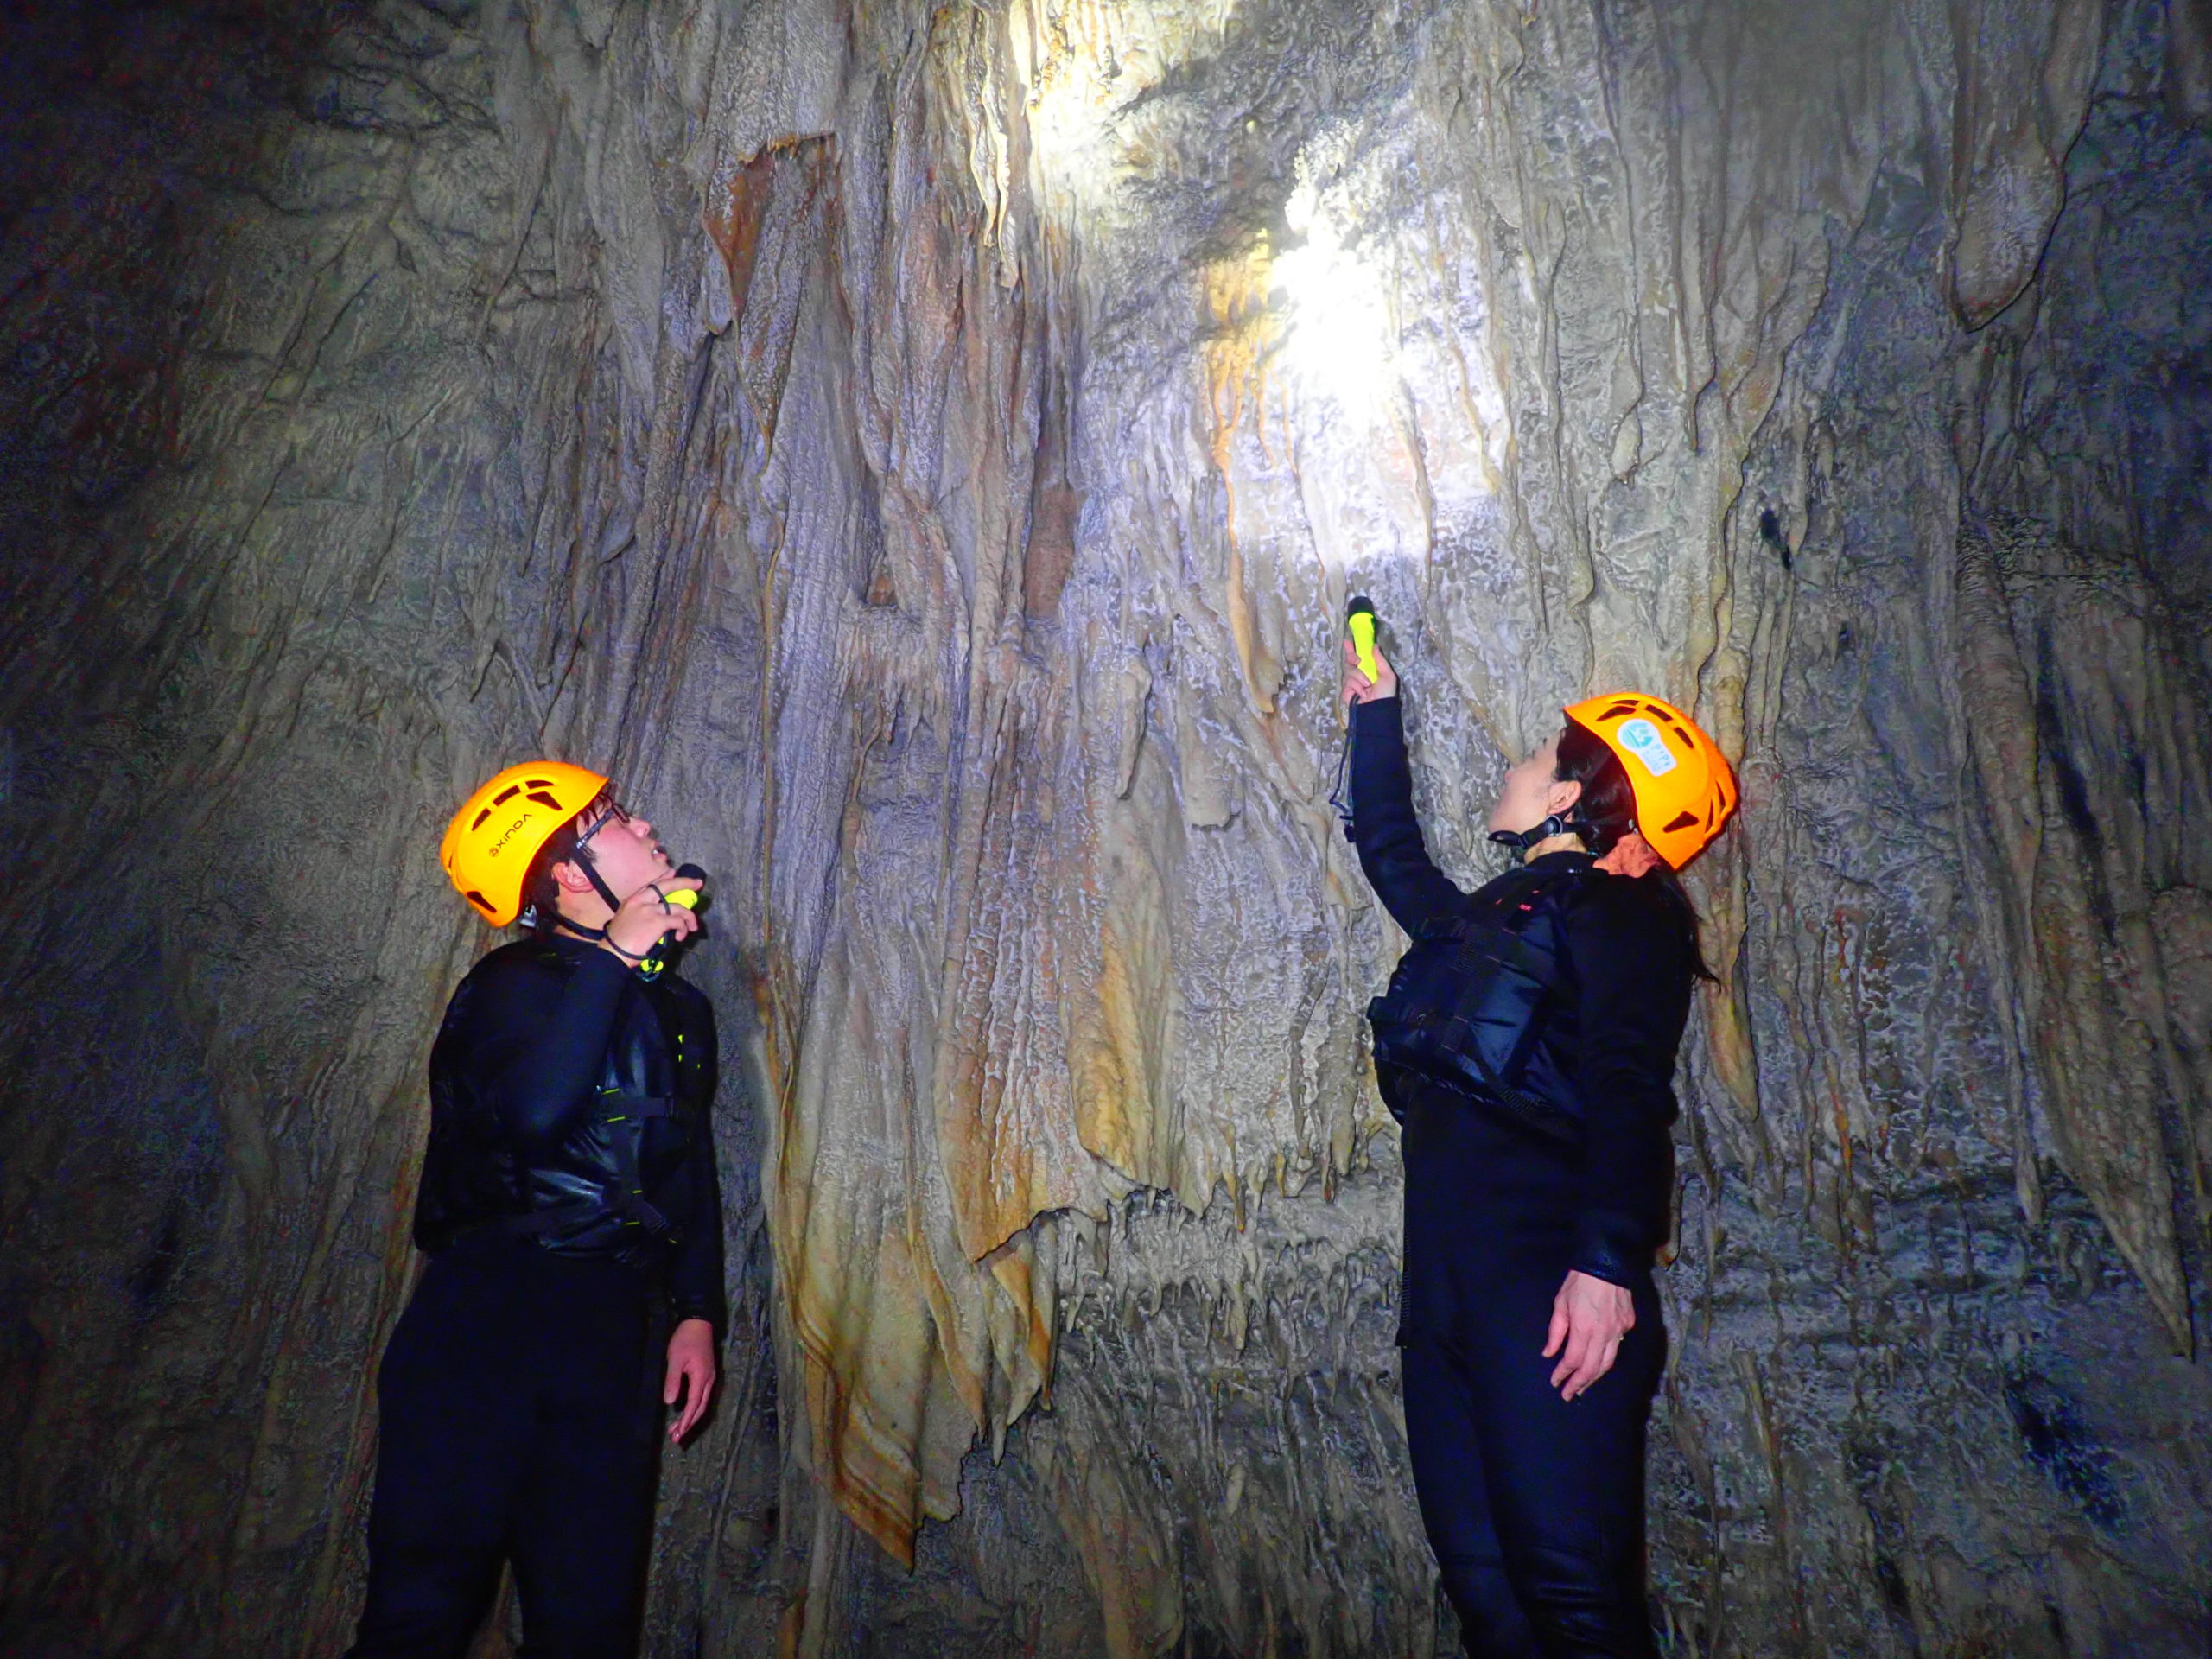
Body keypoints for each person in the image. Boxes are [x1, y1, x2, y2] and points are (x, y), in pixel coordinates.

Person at [1340, 640, 1737, 1658]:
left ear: (1569, 794)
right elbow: (1390, 850)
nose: (1512, 768)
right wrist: (1374, 713)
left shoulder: (1620, 912)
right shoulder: (1482, 919)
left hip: (1547, 1285)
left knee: (1572, 1600)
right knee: (1489, 1602)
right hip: (1444, 1299)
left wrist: (1607, 1265)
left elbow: (1625, 1083)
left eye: (1534, 757)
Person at [346, 762, 725, 1659]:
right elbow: (533, 1115)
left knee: (587, 1621)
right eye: (616, 822)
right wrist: (612, 963)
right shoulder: (511, 986)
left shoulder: (680, 1009)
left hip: (610, 1332)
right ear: (565, 875)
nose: (645, 827)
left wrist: (697, 1310)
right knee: (421, 1611)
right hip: (487, 1322)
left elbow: (685, 1164)